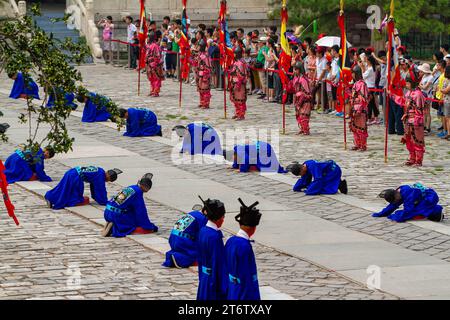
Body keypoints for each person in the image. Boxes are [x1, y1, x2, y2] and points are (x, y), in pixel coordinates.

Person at [225, 198, 262, 300]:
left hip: (232, 288)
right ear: (253, 228)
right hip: (244, 292)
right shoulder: (245, 246)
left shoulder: (230, 241)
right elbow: (246, 276)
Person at [102, 173, 159, 237]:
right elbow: (141, 212)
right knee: (134, 223)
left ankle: (110, 222)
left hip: (107, 212)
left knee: (130, 212)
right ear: (146, 187)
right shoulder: (138, 192)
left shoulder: (131, 187)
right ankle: (114, 226)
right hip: (115, 215)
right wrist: (149, 226)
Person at [45, 166, 121, 210]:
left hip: (72, 172)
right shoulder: (101, 177)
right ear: (108, 176)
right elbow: (100, 190)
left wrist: (95, 197)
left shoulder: (100, 170)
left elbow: (94, 186)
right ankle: (54, 200)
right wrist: (104, 201)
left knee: (61, 189)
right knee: (75, 197)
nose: (106, 181)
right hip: (76, 177)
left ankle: (50, 196)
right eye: (108, 180)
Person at [197, 196, 228, 301]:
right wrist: (224, 287)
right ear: (219, 218)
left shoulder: (203, 231)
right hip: (213, 281)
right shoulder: (215, 237)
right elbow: (219, 263)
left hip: (204, 278)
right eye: (223, 216)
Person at [163, 202, 209, 268]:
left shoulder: (193, 213)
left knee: (181, 250)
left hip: (173, 238)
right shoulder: (202, 218)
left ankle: (172, 255)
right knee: (198, 256)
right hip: (183, 241)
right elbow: (203, 235)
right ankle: (178, 258)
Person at [373, 184, 444, 223]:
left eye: (395, 200)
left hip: (430, 198)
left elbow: (408, 210)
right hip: (420, 199)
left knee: (413, 213)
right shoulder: (398, 193)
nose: (396, 201)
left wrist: (396, 217)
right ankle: (429, 211)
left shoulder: (408, 193)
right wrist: (382, 213)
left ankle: (436, 210)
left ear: (396, 195)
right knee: (410, 212)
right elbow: (393, 205)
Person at [401, 76, 425, 166]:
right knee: (409, 140)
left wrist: (416, 120)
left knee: (417, 140)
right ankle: (412, 157)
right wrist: (392, 95)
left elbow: (419, 110)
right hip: (408, 120)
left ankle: (419, 160)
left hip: (416, 120)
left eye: (408, 83)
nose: (406, 85)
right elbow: (402, 102)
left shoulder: (418, 94)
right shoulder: (408, 94)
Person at [349, 66, 369, 151]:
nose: (352, 75)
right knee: (354, 128)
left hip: (360, 109)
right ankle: (357, 143)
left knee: (361, 128)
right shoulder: (355, 83)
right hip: (354, 107)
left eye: (353, 73)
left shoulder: (362, 84)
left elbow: (363, 99)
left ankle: (362, 145)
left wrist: (358, 108)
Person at [291, 62, 312, 135]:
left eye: (296, 69)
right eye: (294, 69)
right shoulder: (295, 78)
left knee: (304, 115)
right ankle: (302, 128)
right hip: (298, 99)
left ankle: (306, 130)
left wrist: (302, 95)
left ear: (300, 70)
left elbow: (307, 91)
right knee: (298, 115)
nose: (294, 71)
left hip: (305, 100)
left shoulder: (303, 79)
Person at [229, 47, 248, 120]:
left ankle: (241, 115)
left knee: (240, 99)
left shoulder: (241, 63)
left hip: (239, 83)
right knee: (236, 99)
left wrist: (239, 83)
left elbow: (241, 75)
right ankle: (237, 113)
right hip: (234, 82)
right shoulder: (236, 62)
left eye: (235, 53)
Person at [145, 31, 164, 97]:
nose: (148, 38)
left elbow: (158, 56)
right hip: (150, 64)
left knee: (156, 78)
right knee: (152, 78)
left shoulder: (155, 46)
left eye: (149, 37)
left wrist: (156, 63)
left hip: (155, 65)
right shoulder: (149, 45)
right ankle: (152, 90)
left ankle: (156, 91)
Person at [195, 40, 212, 108]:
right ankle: (202, 102)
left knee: (205, 90)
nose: (198, 47)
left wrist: (206, 75)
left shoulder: (206, 56)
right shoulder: (199, 55)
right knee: (201, 89)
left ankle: (206, 103)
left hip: (204, 74)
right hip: (199, 73)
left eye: (199, 45)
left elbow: (208, 66)